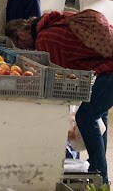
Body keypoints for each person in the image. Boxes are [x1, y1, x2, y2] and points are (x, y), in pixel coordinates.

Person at [6, 10, 113, 183]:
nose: (25, 49)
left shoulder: (45, 38)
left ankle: (99, 174)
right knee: (97, 114)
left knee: (86, 117)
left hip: (109, 69)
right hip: (106, 66)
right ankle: (98, 172)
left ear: (22, 34)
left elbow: (57, 77)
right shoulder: (54, 23)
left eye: (20, 44)